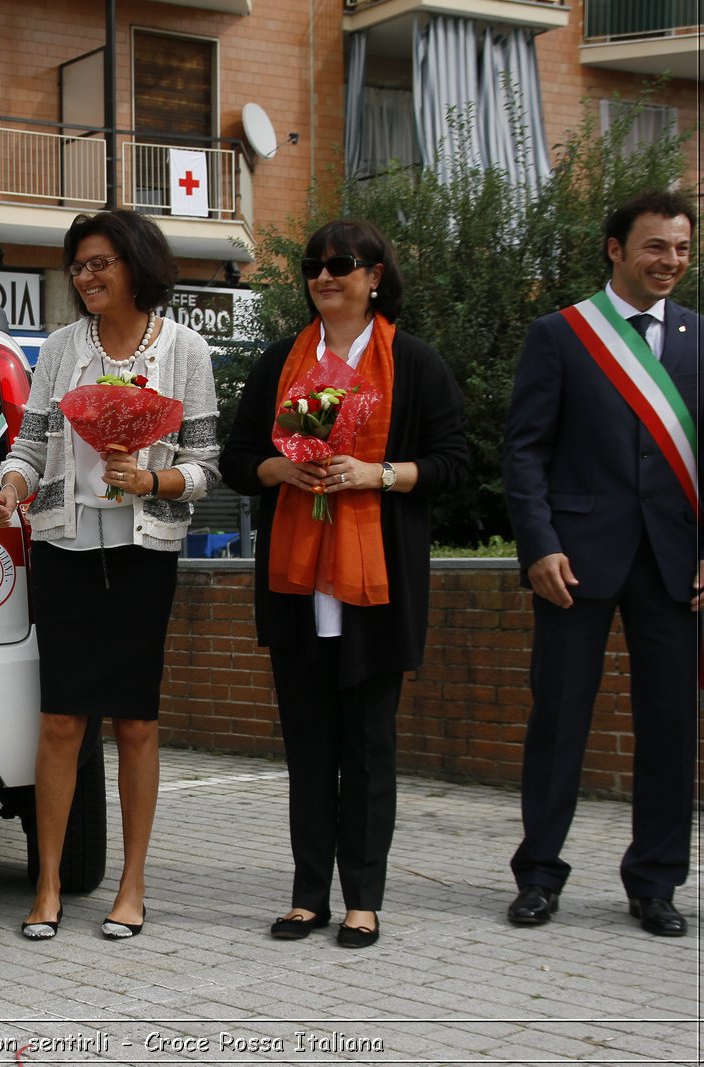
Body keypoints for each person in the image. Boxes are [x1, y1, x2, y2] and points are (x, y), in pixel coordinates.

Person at [220, 218, 468, 949]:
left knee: (367, 749)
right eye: (313, 265)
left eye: (341, 264)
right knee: (307, 747)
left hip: (376, 587)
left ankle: (363, 898)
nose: (324, 276)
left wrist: (377, 474)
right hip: (297, 586)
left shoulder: (415, 365)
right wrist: (278, 469)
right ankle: (306, 895)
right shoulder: (279, 363)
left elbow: (454, 463)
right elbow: (239, 459)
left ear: (375, 276)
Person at [0, 209, 220, 942]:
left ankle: (133, 885)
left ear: (136, 265)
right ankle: (48, 883)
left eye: (99, 263)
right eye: (78, 265)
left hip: (145, 554)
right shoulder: (60, 349)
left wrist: (153, 483)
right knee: (60, 720)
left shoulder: (185, 350)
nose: (86, 277)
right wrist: (11, 489)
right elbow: (28, 445)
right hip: (65, 548)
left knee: (137, 723)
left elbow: (207, 467)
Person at [502, 190, 704, 937]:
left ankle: (655, 882)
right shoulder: (561, 334)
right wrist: (538, 543)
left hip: (674, 565)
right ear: (615, 248)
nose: (670, 262)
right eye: (655, 247)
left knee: (671, 728)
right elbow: (525, 450)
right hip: (574, 560)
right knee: (559, 718)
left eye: (681, 249)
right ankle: (538, 874)